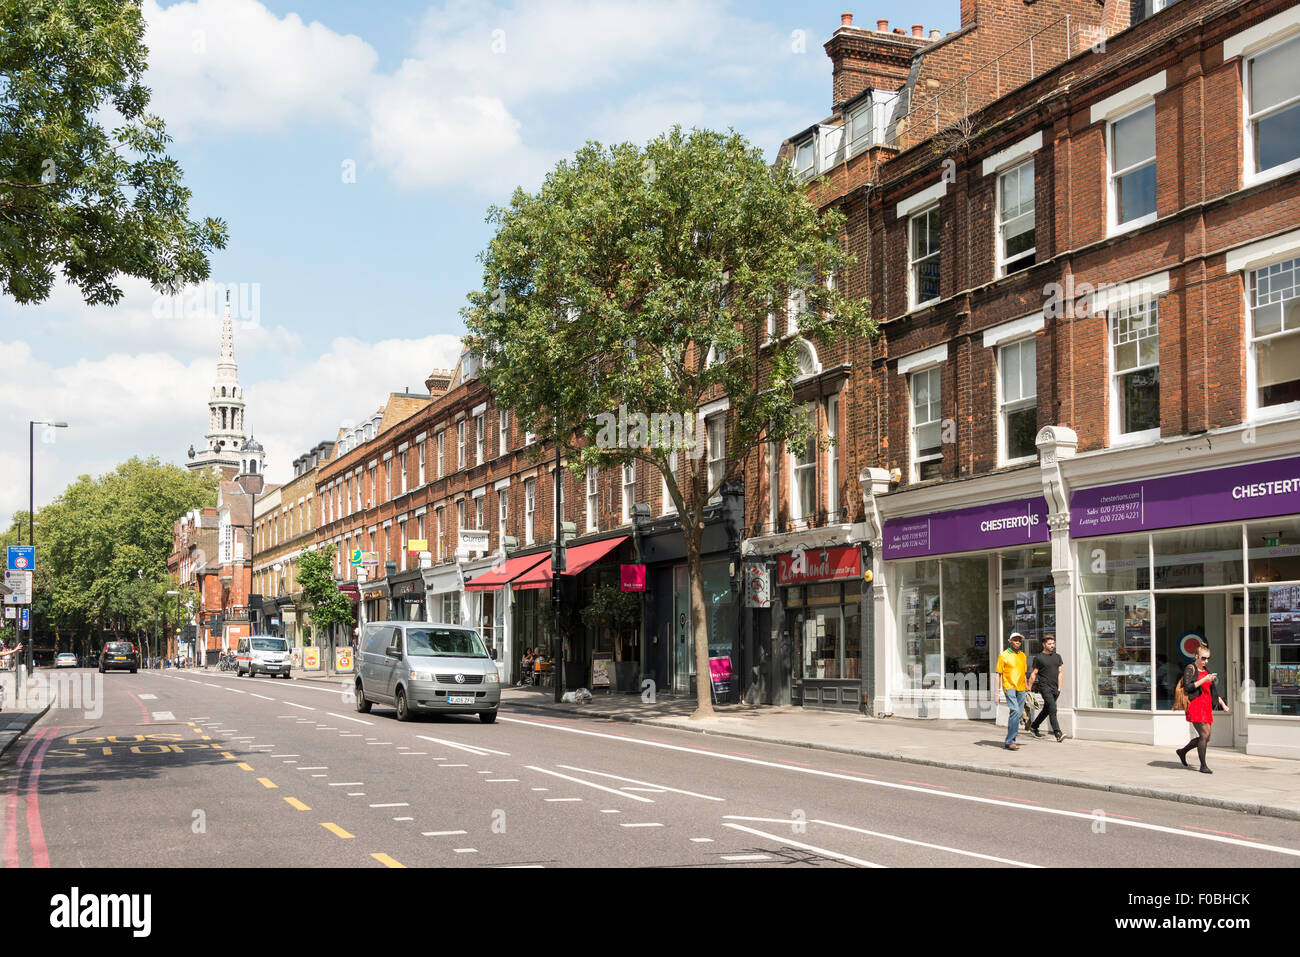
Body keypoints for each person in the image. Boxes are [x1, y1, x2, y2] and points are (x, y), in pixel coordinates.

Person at [1176, 642, 1230, 774]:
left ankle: (1182, 751)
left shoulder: (1206, 671)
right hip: (1195, 706)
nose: (1206, 661)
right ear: (1196, 657)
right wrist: (1204, 680)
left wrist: (1223, 704)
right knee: (1204, 735)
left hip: (1206, 706)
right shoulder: (1190, 668)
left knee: (1206, 737)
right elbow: (1188, 687)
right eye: (1203, 658)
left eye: (1208, 658)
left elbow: (1212, 691)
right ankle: (1203, 766)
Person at [1027, 634, 1065, 742]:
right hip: (1044, 687)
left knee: (1047, 709)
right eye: (1049, 644)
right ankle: (1058, 733)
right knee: (1053, 708)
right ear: (1044, 644)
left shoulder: (1057, 657)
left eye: (1053, 643)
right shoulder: (1039, 658)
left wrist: (1059, 688)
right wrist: (1029, 688)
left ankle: (1034, 727)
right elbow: (1034, 674)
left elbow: (1060, 673)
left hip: (1055, 688)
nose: (1052, 645)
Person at [996, 632, 1028, 750]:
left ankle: (1010, 739)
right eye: (1015, 640)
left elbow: (1023, 673)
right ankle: (1010, 741)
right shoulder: (1003, 655)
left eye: (1019, 640)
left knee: (1017, 714)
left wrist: (1027, 685)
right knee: (1015, 710)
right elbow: (998, 675)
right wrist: (996, 693)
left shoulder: (1023, 655)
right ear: (1010, 641)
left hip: (1021, 688)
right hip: (1009, 686)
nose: (1017, 642)